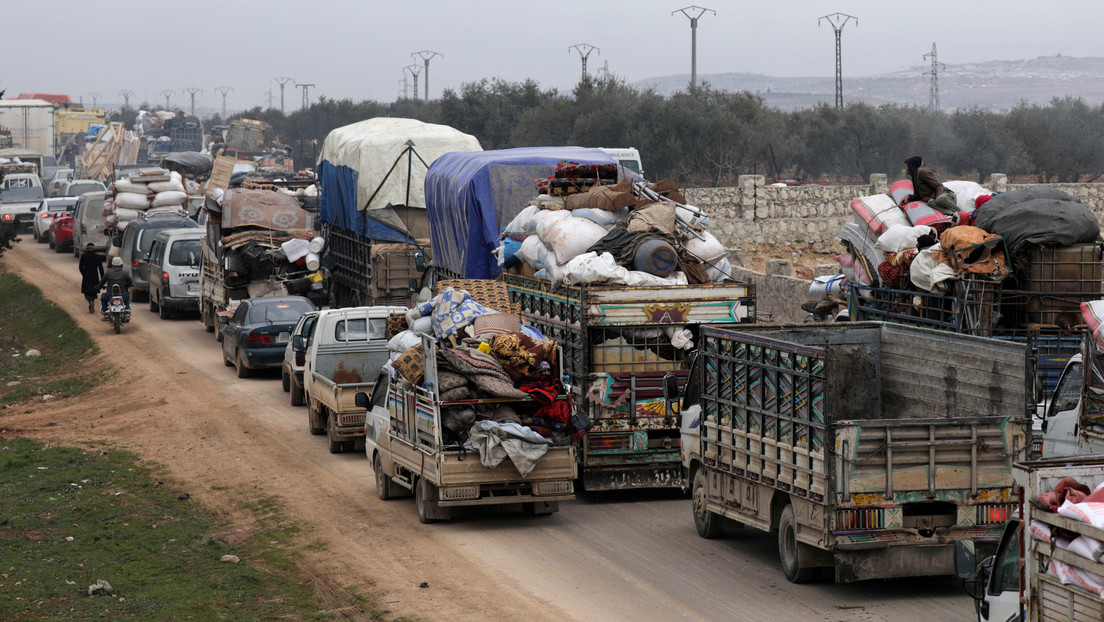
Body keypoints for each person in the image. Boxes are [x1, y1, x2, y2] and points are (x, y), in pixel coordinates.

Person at [78, 243, 105, 313]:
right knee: (93, 291)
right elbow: (101, 269)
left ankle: (90, 301)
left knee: (86, 292)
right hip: (95, 277)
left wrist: (84, 274)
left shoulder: (83, 256)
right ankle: (92, 300)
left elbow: (80, 267)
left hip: (86, 276)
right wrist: (103, 279)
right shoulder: (98, 257)